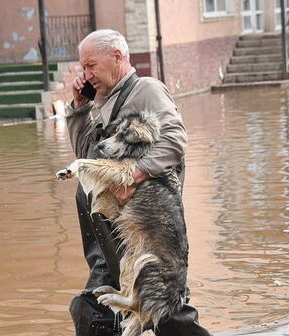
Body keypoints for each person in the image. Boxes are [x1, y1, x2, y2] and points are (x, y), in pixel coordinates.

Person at [63, 29, 212, 336]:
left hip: (143, 226)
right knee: (93, 309)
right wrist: (79, 108)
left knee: (165, 311)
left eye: (91, 65)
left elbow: (175, 140)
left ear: (117, 56)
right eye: (83, 67)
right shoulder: (104, 103)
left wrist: (135, 176)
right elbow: (87, 159)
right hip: (105, 234)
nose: (85, 74)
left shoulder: (145, 89)